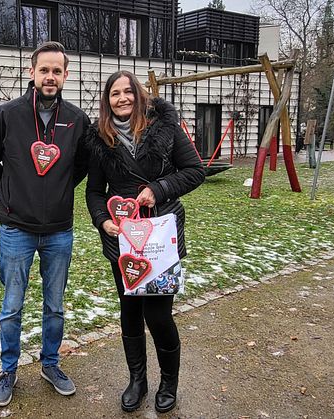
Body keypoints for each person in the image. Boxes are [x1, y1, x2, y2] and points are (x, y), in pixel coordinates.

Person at [84, 71, 205, 413]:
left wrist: (159, 189)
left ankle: (169, 382)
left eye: (128, 92)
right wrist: (102, 220)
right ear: (107, 102)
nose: (122, 98)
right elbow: (94, 191)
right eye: (114, 94)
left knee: (159, 315)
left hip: (160, 237)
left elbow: (195, 171)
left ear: (138, 95)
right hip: (122, 240)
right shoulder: (100, 139)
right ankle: (137, 380)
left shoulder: (165, 127)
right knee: (129, 312)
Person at [0, 41, 91, 407]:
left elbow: (81, 167)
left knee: (55, 305)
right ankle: (8, 370)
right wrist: (16, 193)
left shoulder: (77, 120)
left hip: (59, 230)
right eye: (44, 70)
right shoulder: (8, 115)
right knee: (12, 306)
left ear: (66, 75)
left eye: (57, 71)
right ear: (31, 72)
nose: (50, 77)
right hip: (16, 229)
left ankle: (50, 364)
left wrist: (56, 192)